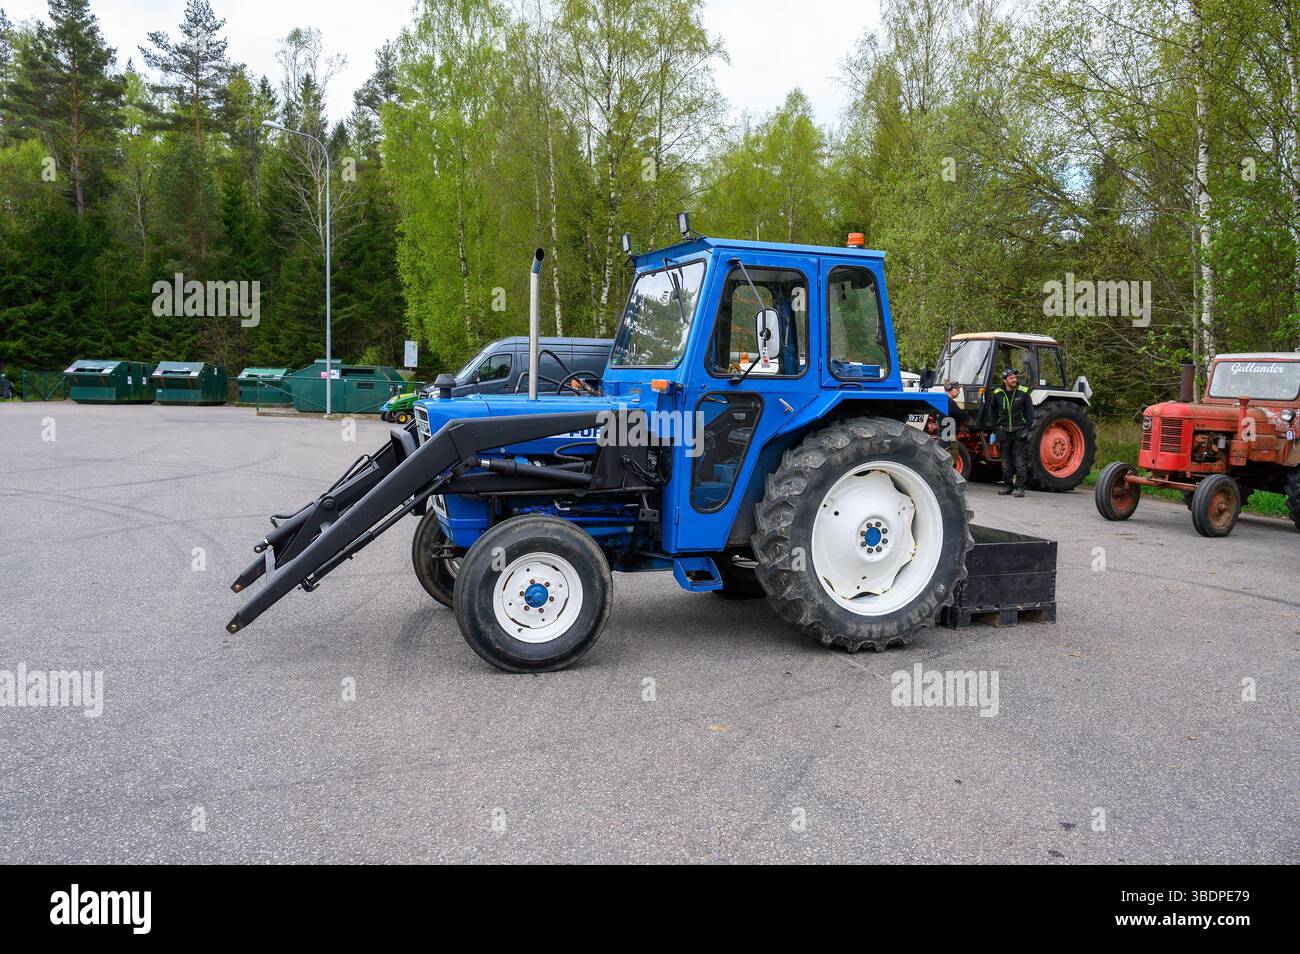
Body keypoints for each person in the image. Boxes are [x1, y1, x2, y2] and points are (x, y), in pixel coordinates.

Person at [986, 368, 1034, 497]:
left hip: (1019, 431)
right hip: (1004, 432)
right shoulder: (997, 393)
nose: (1014, 380)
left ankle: (1020, 487)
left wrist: (1027, 428)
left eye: (1015, 377)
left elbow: (1030, 412)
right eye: (1011, 378)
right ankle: (1008, 485)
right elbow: (992, 411)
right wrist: (997, 428)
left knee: (1019, 460)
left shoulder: (1023, 392)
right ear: (1004, 380)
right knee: (1006, 461)